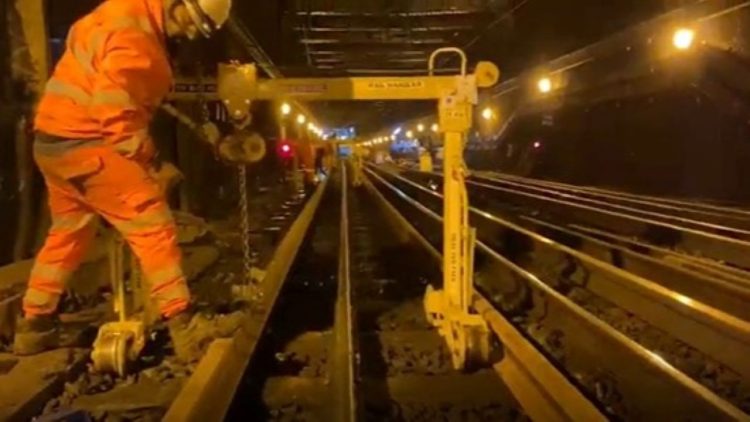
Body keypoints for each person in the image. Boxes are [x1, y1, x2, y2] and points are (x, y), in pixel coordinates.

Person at [13, 0, 232, 363]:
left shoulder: (119, 11)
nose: (191, 33)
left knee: (69, 232)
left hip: (52, 142)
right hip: (89, 143)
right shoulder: (136, 39)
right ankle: (186, 326)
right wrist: (154, 162)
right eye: (191, 22)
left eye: (201, 30)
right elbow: (114, 114)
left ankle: (34, 325)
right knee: (152, 222)